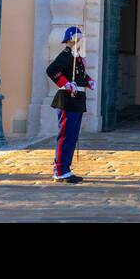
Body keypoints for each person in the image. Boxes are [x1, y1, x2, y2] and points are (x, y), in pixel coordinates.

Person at [46, 25, 94, 184]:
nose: (81, 41)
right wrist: (66, 84)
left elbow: (80, 75)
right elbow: (52, 70)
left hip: (76, 100)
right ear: (72, 39)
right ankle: (59, 170)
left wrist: (88, 81)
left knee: (72, 136)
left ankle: (65, 168)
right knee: (66, 136)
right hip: (67, 100)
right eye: (79, 39)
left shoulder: (76, 56)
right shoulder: (66, 55)